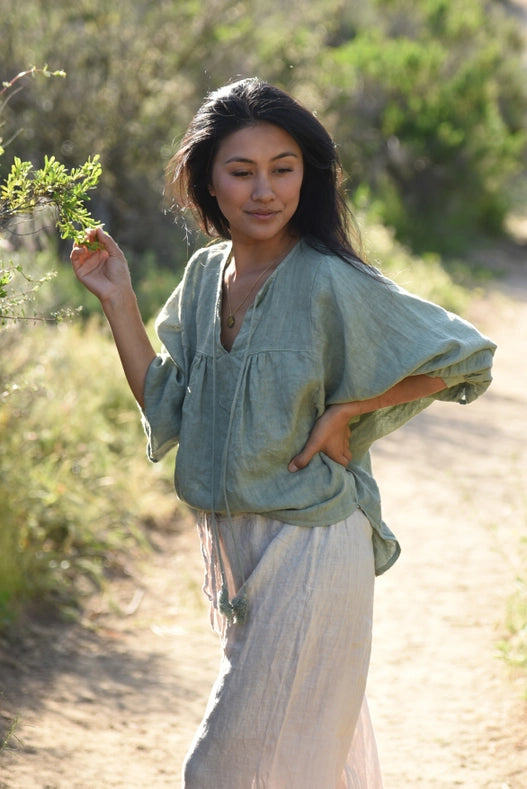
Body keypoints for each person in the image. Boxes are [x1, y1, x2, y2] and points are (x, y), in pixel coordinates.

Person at [71, 78, 496, 788]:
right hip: (239, 551)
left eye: (283, 167)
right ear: (207, 180)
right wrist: (119, 298)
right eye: (241, 171)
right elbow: (167, 403)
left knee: (226, 767)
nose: (264, 190)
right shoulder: (206, 274)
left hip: (314, 545)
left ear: (308, 174)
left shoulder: (331, 279)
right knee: (300, 758)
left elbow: (465, 356)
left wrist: (347, 412)